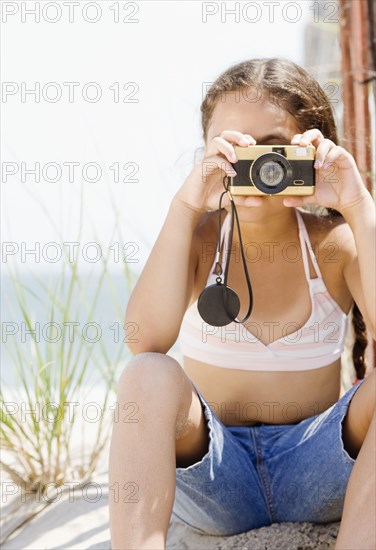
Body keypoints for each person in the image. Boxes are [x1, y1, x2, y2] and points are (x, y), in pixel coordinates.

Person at [108, 58, 376, 550]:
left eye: (271, 149)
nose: (255, 167)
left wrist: (357, 206)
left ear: (309, 151)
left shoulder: (333, 244)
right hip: (214, 476)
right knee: (147, 373)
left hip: (316, 469)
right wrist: (185, 208)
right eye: (235, 148)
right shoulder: (200, 240)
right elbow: (143, 343)